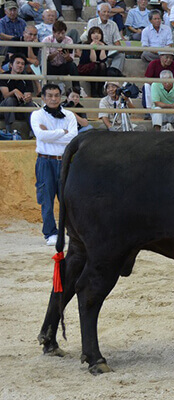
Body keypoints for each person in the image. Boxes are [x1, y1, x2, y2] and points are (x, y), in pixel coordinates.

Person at [30, 83, 76, 246]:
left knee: (69, 198)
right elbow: (41, 136)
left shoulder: (69, 115)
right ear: (43, 98)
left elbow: (72, 138)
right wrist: (62, 132)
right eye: (49, 95)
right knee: (46, 198)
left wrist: (52, 134)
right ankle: (50, 232)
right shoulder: (37, 115)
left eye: (56, 95)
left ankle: (72, 231)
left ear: (61, 97)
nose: (53, 98)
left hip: (65, 161)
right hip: (45, 161)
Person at [84, 2, 126, 72]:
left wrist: (119, 48)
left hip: (110, 50)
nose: (106, 14)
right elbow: (90, 39)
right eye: (104, 11)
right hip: (97, 48)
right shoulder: (92, 22)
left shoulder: (113, 24)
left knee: (121, 55)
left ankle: (114, 72)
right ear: (99, 12)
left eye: (108, 12)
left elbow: (116, 41)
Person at [0, 54, 35, 133]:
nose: (20, 65)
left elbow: (28, 94)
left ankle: (33, 133)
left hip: (19, 109)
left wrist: (27, 98)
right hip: (3, 108)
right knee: (10, 100)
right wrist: (14, 91)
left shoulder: (27, 78)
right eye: (18, 63)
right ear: (11, 65)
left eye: (22, 64)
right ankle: (9, 132)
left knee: (30, 104)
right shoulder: (4, 76)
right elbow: (5, 95)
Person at [42, 21, 80, 92]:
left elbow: (71, 59)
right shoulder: (46, 40)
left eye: (63, 33)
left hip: (63, 66)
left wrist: (67, 57)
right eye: (58, 33)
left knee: (72, 65)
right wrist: (56, 52)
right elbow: (46, 58)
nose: (61, 35)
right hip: (51, 67)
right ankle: (44, 88)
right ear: (53, 33)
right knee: (45, 65)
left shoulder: (69, 40)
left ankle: (77, 89)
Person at [77, 27, 110, 97]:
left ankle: (100, 89)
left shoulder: (105, 45)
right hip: (86, 68)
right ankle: (93, 90)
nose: (96, 35)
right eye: (93, 33)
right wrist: (92, 48)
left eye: (98, 33)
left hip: (99, 69)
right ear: (90, 35)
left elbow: (102, 59)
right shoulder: (86, 45)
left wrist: (103, 47)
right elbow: (93, 60)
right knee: (94, 65)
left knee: (102, 65)